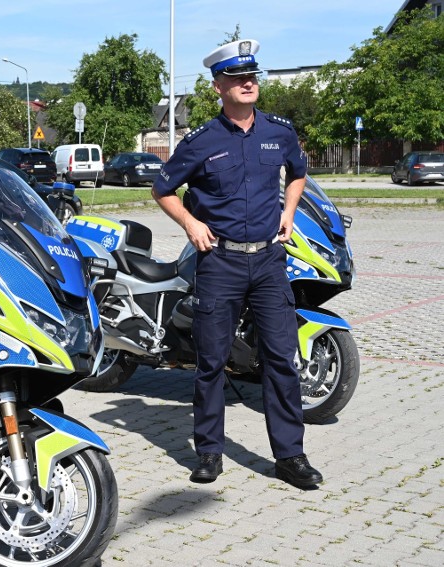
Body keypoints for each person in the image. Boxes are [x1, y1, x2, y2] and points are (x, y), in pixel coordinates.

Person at [151, 39, 323, 489]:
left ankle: (291, 456)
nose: (248, 82)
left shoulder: (279, 131)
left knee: (281, 360)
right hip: (220, 262)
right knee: (211, 362)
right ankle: (209, 452)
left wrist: (289, 212)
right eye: (236, 77)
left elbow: (299, 172)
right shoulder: (200, 141)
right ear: (218, 87)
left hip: (268, 262)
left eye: (252, 76)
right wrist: (190, 223)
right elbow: (163, 188)